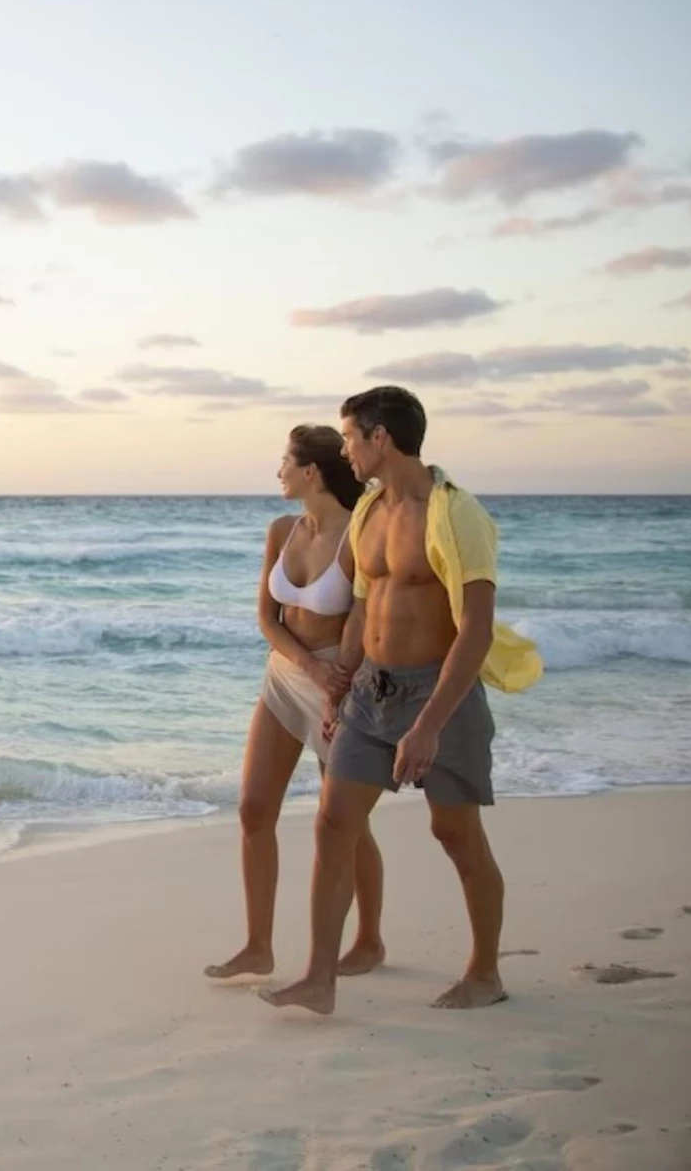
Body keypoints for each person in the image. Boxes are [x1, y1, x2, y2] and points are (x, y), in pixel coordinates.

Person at [263, 386, 543, 1015]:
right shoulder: (367, 514)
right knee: (334, 822)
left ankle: (484, 972)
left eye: (350, 439)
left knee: (455, 832)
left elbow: (473, 627)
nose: (345, 452)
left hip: (438, 690)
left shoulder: (456, 513)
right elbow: (365, 606)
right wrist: (344, 684)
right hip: (372, 689)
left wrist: (430, 726)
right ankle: (319, 979)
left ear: (380, 438)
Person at [206, 426, 385, 981]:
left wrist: (339, 682)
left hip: (342, 685)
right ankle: (258, 946)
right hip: (286, 677)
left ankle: (370, 940)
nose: (278, 470)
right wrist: (305, 665)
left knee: (344, 825)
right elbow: (267, 618)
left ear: (311, 471)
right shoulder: (281, 530)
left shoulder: (361, 534)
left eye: (284, 461)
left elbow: (368, 620)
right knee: (254, 810)